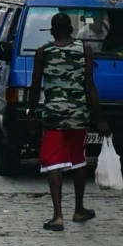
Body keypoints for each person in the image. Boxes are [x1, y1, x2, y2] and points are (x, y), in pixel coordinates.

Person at [35, 12, 99, 232]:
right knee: (78, 161)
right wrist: (100, 119)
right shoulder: (85, 50)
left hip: (52, 116)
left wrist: (32, 113)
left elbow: (35, 88)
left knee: (54, 162)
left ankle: (57, 216)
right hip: (78, 115)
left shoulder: (43, 52)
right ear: (71, 30)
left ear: (52, 30)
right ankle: (79, 209)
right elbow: (90, 87)